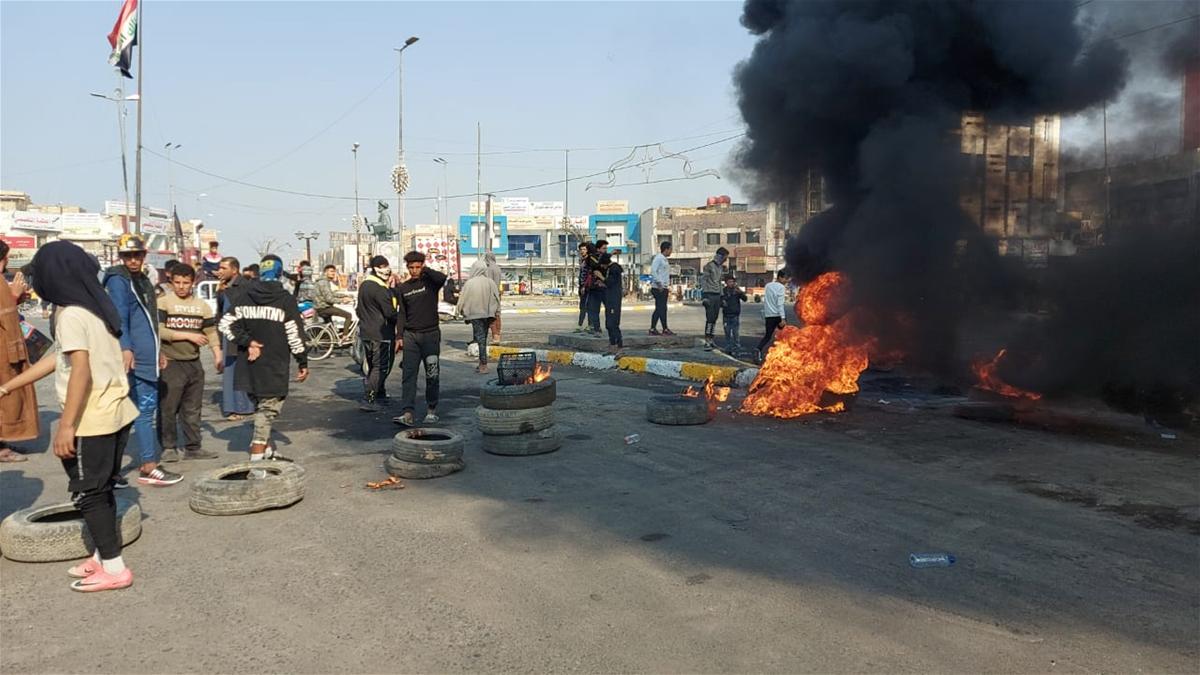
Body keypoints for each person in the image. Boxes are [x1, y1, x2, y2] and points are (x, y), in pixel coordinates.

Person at [2, 241, 139, 591]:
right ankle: (101, 556)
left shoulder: (71, 314)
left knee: (89, 492)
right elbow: (58, 358)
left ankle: (114, 567)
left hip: (91, 419)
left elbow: (80, 370)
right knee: (102, 486)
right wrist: (8, 386)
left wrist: (66, 426)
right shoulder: (92, 306)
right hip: (115, 411)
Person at [103, 235, 179, 486]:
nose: (133, 260)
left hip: (147, 354)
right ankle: (148, 465)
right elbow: (120, 317)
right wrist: (126, 348)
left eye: (137, 255)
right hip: (133, 356)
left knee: (133, 412)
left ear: (144, 255)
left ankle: (112, 472)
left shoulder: (142, 280)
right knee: (142, 412)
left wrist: (158, 350)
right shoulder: (118, 279)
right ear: (120, 257)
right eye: (128, 256)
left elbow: (149, 320)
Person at [218, 254, 309, 463]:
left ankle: (267, 450)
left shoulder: (245, 296)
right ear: (279, 272)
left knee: (260, 406)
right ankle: (257, 460)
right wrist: (302, 361)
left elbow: (225, 325)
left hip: (248, 366)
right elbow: (294, 334)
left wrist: (247, 341)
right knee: (268, 410)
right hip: (274, 364)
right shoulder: (285, 299)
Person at [157, 264, 222, 463]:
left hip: (194, 363)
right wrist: (186, 335)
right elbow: (159, 330)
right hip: (171, 362)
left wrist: (217, 354)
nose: (181, 287)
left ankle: (193, 447)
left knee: (192, 409)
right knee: (169, 407)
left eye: (186, 283)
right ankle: (169, 447)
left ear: (193, 282)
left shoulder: (202, 306)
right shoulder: (163, 302)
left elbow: (210, 331)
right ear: (171, 282)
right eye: (177, 282)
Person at [392, 251, 447, 427]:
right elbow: (402, 314)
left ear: (422, 266)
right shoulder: (403, 288)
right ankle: (407, 413)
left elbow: (442, 278)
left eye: (417, 267)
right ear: (407, 268)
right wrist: (399, 336)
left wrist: (426, 269)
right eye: (411, 267)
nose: (414, 270)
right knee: (409, 375)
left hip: (430, 335)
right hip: (411, 337)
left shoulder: (430, 283)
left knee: (432, 374)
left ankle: (431, 410)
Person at [1, 240, 37, 462]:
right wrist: (13, 297)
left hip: (7, 348)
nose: (6, 262)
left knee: (8, 398)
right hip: (3, 352)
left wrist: (17, 296)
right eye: (4, 257)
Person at [356, 255, 398, 412]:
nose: (386, 269)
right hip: (382, 334)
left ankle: (380, 394)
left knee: (374, 366)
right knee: (381, 367)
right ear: (375, 269)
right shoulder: (380, 289)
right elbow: (390, 313)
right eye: (382, 266)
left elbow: (358, 309)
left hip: (366, 332)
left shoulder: (365, 286)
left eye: (386, 265)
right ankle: (370, 398)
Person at [215, 256, 254, 420]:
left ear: (234, 270)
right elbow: (220, 312)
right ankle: (232, 408)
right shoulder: (224, 288)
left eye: (224, 268)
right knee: (231, 370)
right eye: (220, 268)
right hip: (227, 333)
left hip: (241, 333)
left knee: (242, 370)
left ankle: (244, 406)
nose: (220, 271)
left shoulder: (245, 286)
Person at [457, 259, 501, 373]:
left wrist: (459, 311)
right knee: (483, 338)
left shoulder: (469, 283)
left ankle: (483, 365)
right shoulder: (490, 282)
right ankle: (482, 363)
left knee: (480, 339)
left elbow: (462, 299)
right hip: (488, 314)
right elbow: (497, 298)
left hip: (475, 315)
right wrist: (497, 312)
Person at [757, 268, 790, 362]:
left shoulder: (768, 285)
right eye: (785, 279)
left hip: (768, 315)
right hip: (777, 315)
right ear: (780, 277)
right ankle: (783, 354)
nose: (786, 281)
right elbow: (780, 304)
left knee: (767, 336)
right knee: (785, 334)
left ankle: (758, 349)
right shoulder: (781, 287)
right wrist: (783, 318)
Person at [314, 264, 354, 338]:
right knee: (348, 315)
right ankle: (345, 336)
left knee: (331, 327)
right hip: (324, 307)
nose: (333, 273)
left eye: (334, 272)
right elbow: (329, 299)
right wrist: (342, 300)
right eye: (331, 271)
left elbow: (331, 294)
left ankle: (331, 340)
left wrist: (345, 295)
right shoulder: (324, 282)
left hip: (320, 307)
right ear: (325, 272)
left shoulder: (323, 281)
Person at [701, 247, 729, 349]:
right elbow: (704, 281)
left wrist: (722, 297)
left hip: (717, 295)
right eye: (725, 257)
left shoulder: (720, 268)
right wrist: (704, 296)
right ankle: (707, 341)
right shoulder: (709, 266)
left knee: (714, 319)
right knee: (710, 319)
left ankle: (711, 339)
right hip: (709, 295)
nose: (726, 259)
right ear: (720, 256)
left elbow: (719, 283)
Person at [649, 240, 674, 336]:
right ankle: (659, 328)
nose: (671, 251)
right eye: (670, 249)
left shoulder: (664, 259)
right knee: (660, 308)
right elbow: (653, 271)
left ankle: (661, 328)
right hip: (658, 287)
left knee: (662, 308)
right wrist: (659, 283)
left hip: (664, 287)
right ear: (666, 249)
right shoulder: (658, 258)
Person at [719, 274, 747, 355]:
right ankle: (728, 349)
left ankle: (737, 349)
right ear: (726, 283)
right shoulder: (723, 291)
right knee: (727, 333)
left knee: (736, 334)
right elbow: (719, 302)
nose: (731, 283)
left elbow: (745, 299)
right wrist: (722, 303)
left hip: (735, 316)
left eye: (732, 282)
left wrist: (740, 293)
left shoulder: (737, 290)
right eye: (729, 282)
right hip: (726, 315)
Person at [602, 253, 624, 353]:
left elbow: (610, 282)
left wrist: (601, 278)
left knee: (613, 323)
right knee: (608, 323)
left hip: (614, 299)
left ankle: (618, 345)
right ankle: (612, 344)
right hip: (609, 298)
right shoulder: (610, 269)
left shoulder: (614, 269)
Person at [583, 242, 606, 335]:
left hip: (596, 287)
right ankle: (596, 327)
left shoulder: (592, 258)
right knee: (595, 309)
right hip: (600, 286)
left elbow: (594, 269)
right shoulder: (601, 257)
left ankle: (596, 328)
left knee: (593, 309)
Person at [483, 251, 503, 343]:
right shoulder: (497, 268)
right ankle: (497, 335)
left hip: (490, 295)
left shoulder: (488, 269)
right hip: (497, 294)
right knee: (497, 315)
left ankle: (495, 336)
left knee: (491, 316)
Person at [573, 242, 590, 333]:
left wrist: (584, 286)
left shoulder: (589, 260)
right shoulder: (581, 260)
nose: (582, 251)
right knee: (582, 307)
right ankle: (580, 325)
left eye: (584, 249)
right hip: (581, 286)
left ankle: (590, 325)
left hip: (587, 287)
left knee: (588, 307)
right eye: (581, 249)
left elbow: (589, 275)